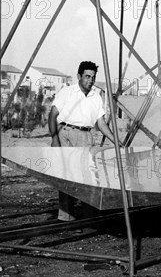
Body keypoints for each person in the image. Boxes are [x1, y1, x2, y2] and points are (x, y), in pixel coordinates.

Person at [48, 61, 116, 221]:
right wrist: (54, 138)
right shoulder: (67, 92)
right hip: (66, 133)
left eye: (93, 77)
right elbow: (52, 115)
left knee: (87, 176)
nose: (90, 80)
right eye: (87, 76)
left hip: (85, 137)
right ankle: (66, 218)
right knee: (66, 176)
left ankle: (88, 218)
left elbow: (100, 123)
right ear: (79, 76)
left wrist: (116, 141)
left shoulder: (96, 97)